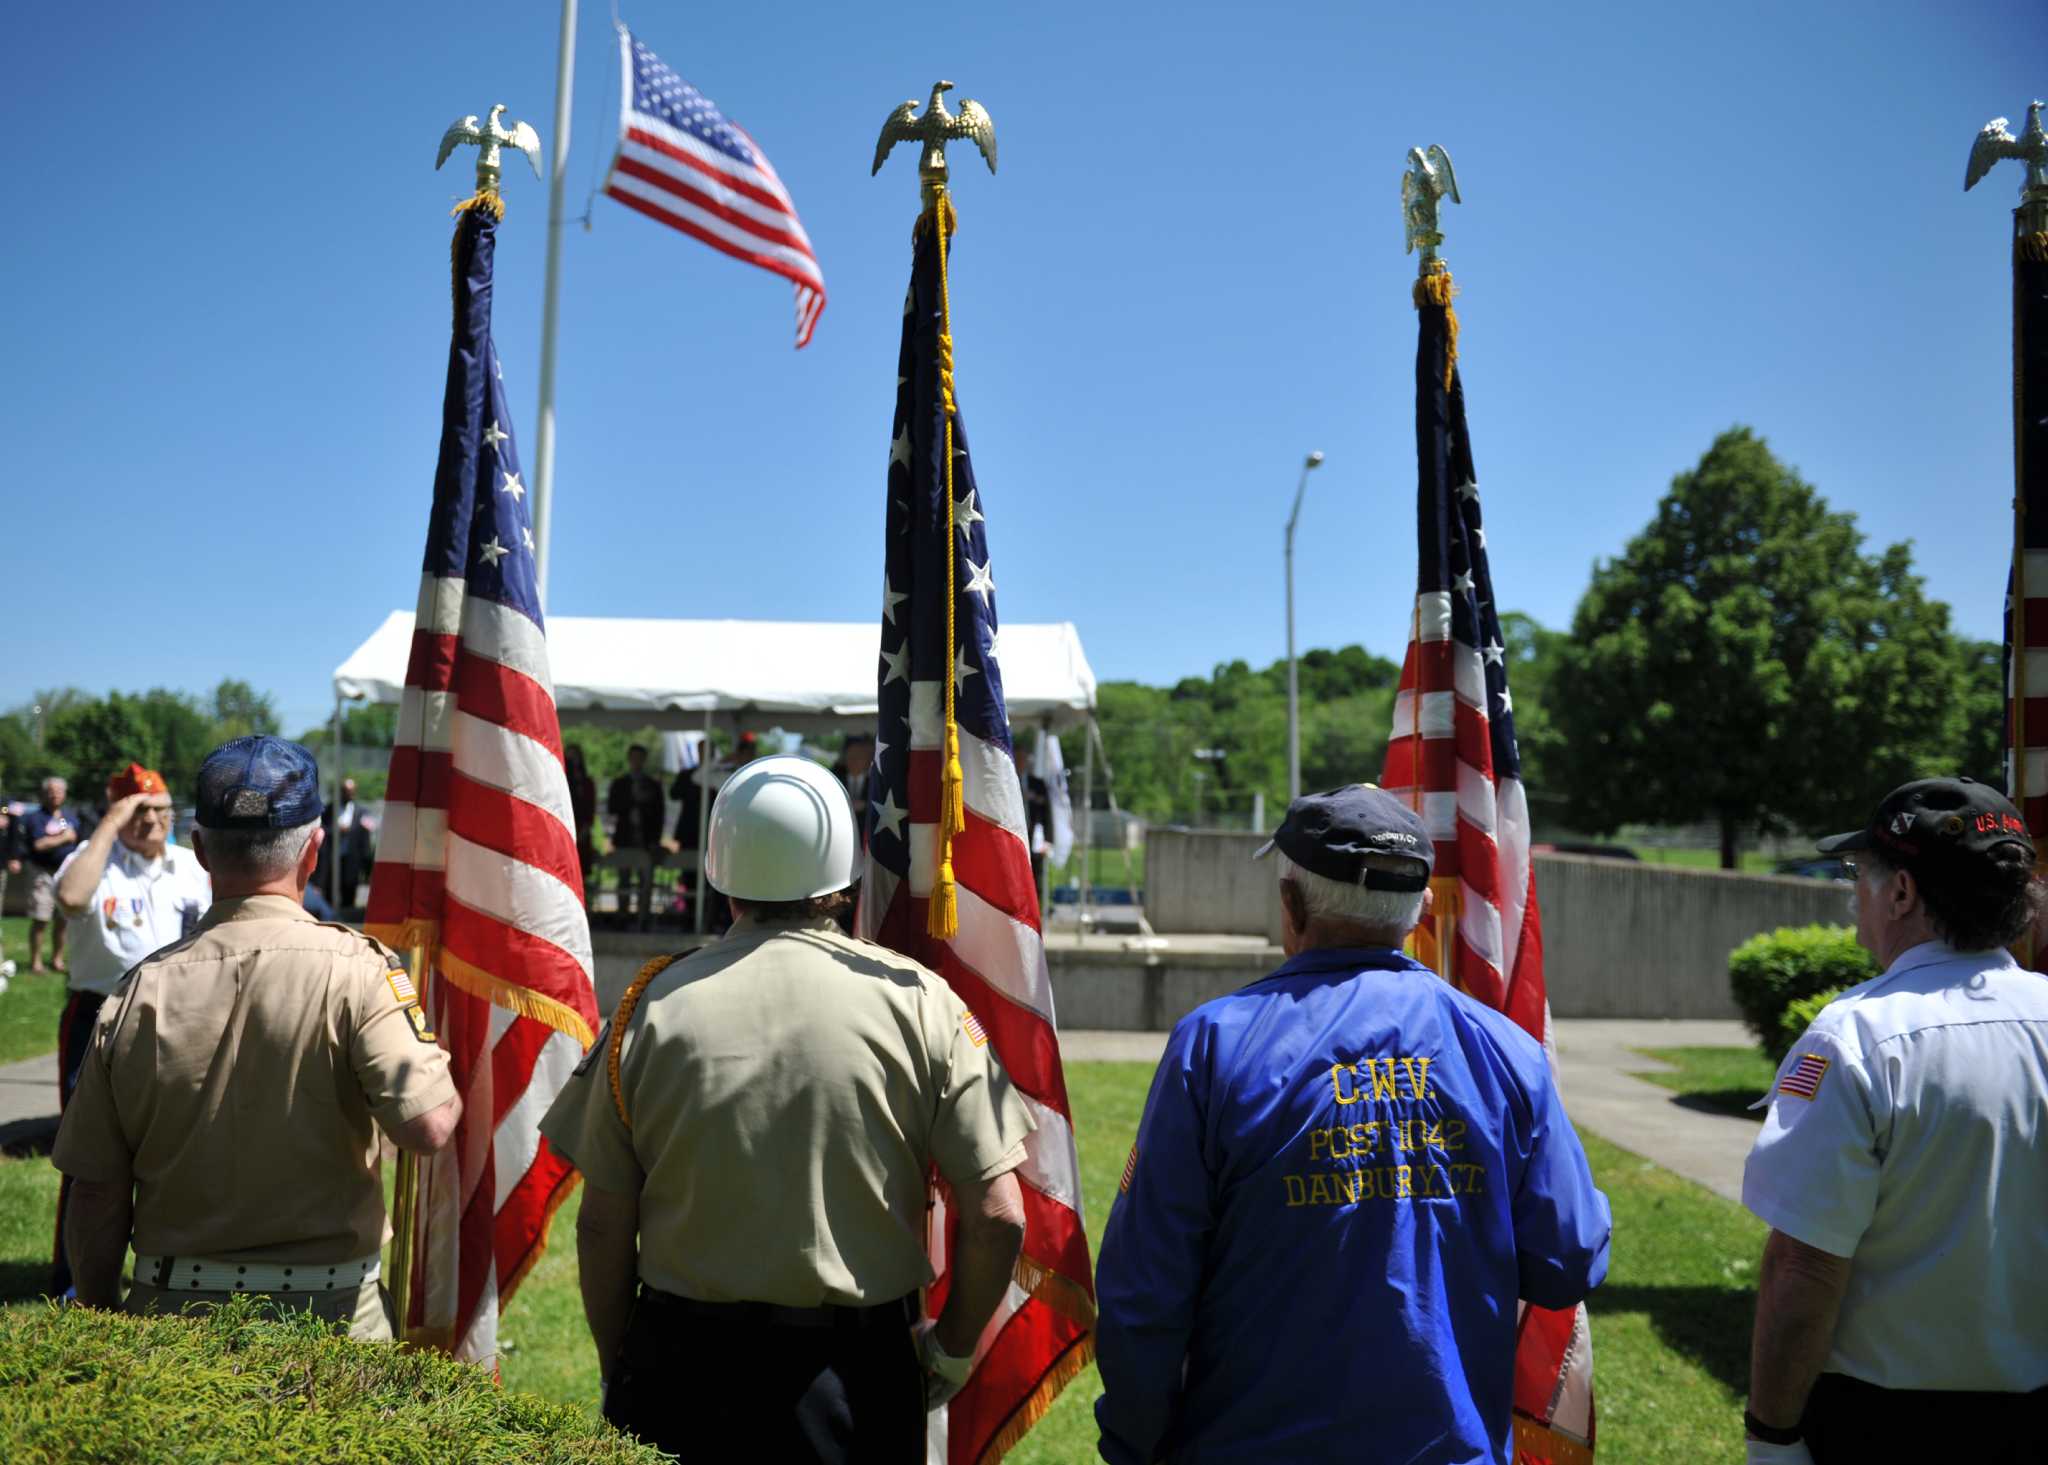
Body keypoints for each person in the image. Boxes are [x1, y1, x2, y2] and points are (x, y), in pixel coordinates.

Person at [1094, 783, 1611, 1465]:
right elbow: (1568, 1258)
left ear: (1291, 902)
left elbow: (1144, 1295)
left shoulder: (1213, 1046)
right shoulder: (1507, 1051)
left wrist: (1132, 1441)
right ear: (1423, 908)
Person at [540, 754, 1034, 1462]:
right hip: (857, 1379)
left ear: (720, 870)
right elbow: (999, 1216)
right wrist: (950, 1353)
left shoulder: (648, 1006)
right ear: (843, 877)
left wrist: (628, 1359)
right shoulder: (920, 1000)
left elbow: (600, 1226)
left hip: (680, 1366)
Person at [49, 736, 461, 1336]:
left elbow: (94, 1188)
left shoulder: (139, 990)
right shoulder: (361, 971)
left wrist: (99, 1310)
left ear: (200, 850)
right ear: (314, 850)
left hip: (172, 1313)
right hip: (333, 1315)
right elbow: (428, 1127)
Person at [1741, 777, 2048, 1464]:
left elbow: (1803, 1267)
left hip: (1889, 1427)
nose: (1856, 894)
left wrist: (1772, 1435)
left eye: (1860, 873)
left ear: (1902, 892)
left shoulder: (1855, 1036)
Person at [47, 764, 212, 1295]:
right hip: (99, 1014)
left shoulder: (191, 867)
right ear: (117, 815)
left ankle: (168, 1266)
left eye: (159, 810)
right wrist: (111, 823)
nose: (152, 822)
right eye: (138, 812)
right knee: (89, 1150)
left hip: (181, 1017)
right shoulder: (96, 862)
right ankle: (77, 1279)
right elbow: (71, 899)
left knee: (178, 1141)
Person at [21, 776, 80, 974]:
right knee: (41, 919)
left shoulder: (69, 816)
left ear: (64, 794)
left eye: (59, 791)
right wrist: (63, 838)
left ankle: (57, 960)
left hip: (66, 874)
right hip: (42, 873)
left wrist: (61, 839)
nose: (55, 794)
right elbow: (39, 845)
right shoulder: (36, 818)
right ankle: (36, 961)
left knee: (63, 920)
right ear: (44, 794)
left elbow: (76, 840)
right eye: (51, 791)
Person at [606, 744, 665, 929]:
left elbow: (659, 814)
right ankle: (622, 915)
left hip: (645, 842)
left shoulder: (653, 785)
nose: (636, 761)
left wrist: (655, 841)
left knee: (645, 881)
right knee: (623, 879)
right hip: (624, 839)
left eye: (640, 758)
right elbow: (612, 807)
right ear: (629, 759)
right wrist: (633, 799)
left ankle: (643, 916)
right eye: (634, 757)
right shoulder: (620, 783)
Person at [564, 744, 598, 898]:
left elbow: (590, 809)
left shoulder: (587, 783)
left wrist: (585, 829)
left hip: (582, 833)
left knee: (581, 874)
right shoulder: (563, 781)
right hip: (567, 832)